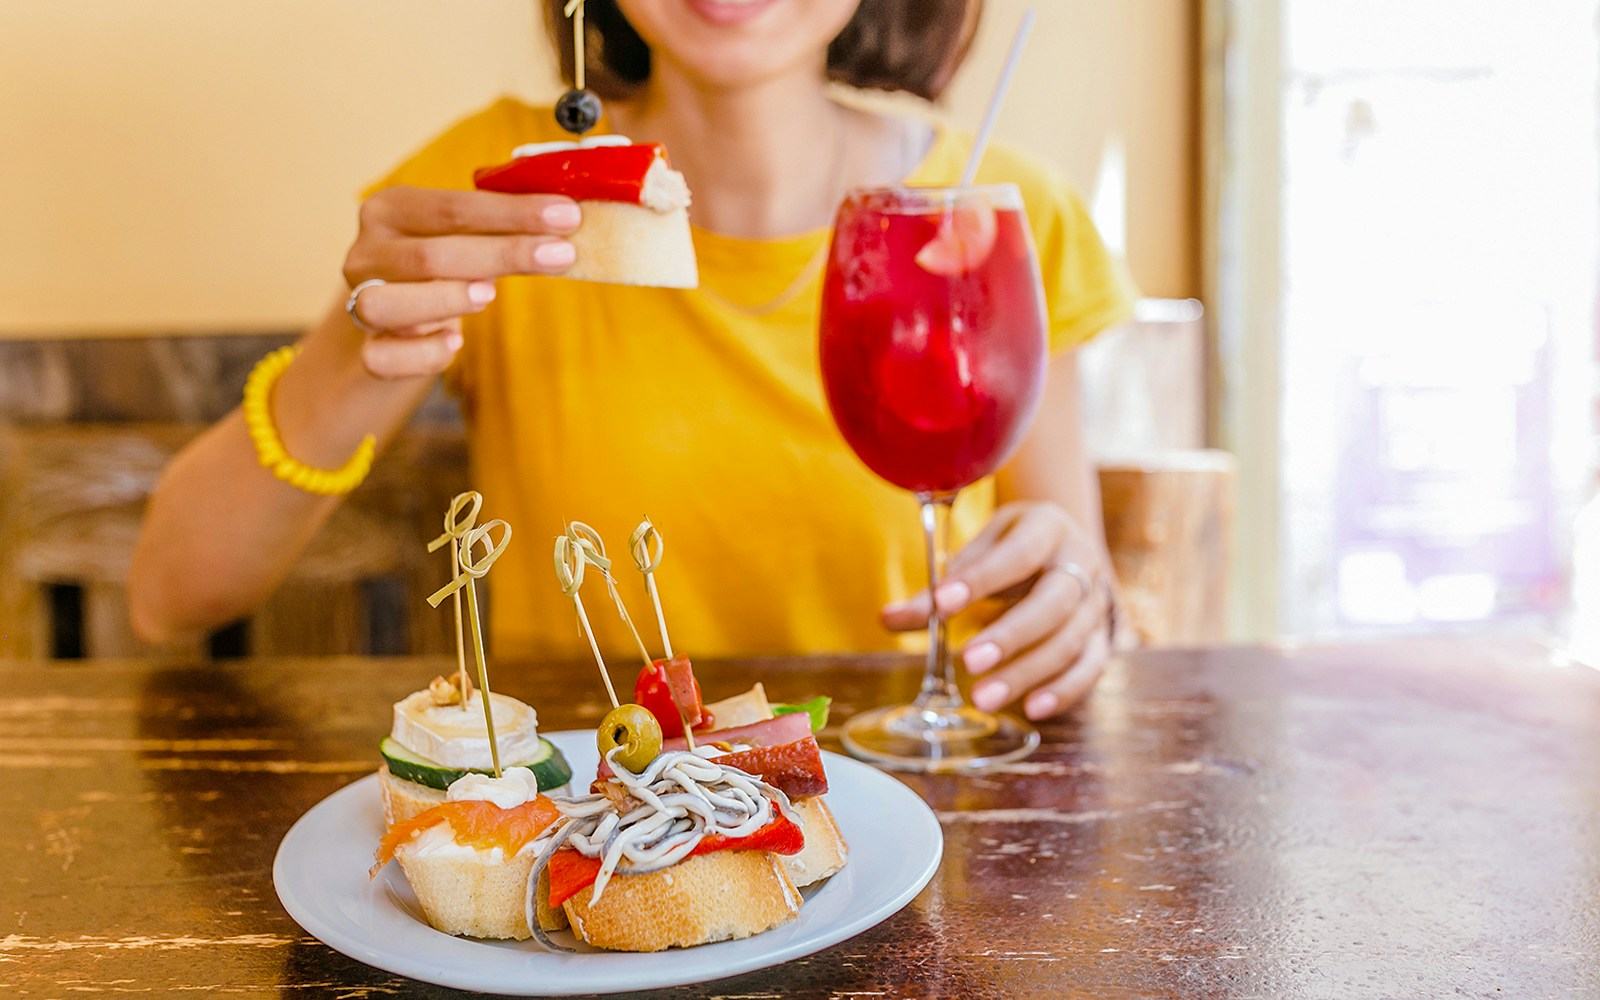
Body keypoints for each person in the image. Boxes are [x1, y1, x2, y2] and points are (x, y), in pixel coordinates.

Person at [128, 0, 1134, 720]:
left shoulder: (1005, 213)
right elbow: (172, 593)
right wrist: (362, 346)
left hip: (918, 832)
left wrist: (1077, 603)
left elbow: (1066, 575)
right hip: (596, 815)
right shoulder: (500, 193)